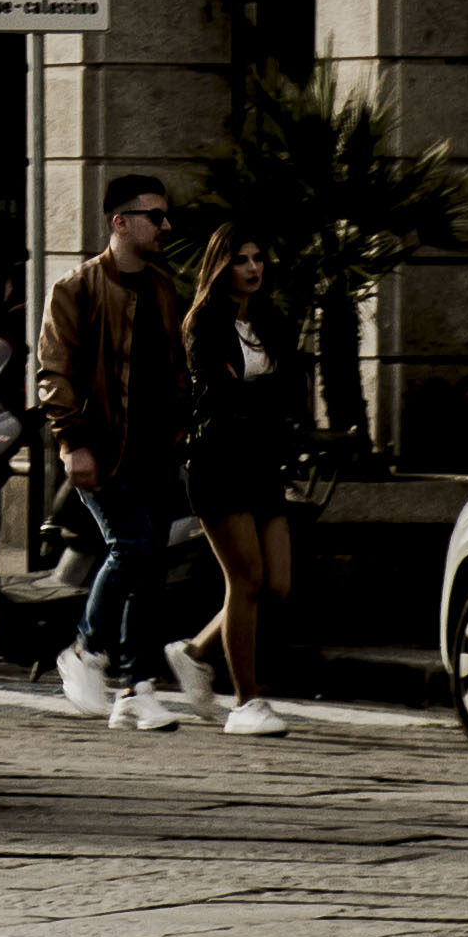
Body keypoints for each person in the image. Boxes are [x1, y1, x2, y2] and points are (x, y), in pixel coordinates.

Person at [35, 172, 193, 731]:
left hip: (154, 450)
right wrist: (73, 443)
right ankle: (84, 651)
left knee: (148, 565)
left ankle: (135, 688)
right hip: (100, 449)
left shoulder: (162, 287)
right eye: (155, 216)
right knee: (132, 549)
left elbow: (176, 366)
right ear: (120, 222)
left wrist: (180, 428)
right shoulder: (75, 288)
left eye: (165, 215)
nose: (165, 226)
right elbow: (53, 373)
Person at [165, 224, 302, 737]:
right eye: (241, 259)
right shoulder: (203, 323)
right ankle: (247, 702)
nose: (252, 268)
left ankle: (195, 651)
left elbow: (287, 393)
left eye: (258, 258)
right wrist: (262, 404)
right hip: (219, 461)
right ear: (221, 265)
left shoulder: (272, 322)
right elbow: (216, 399)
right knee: (244, 580)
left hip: (264, 464)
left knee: (278, 585)